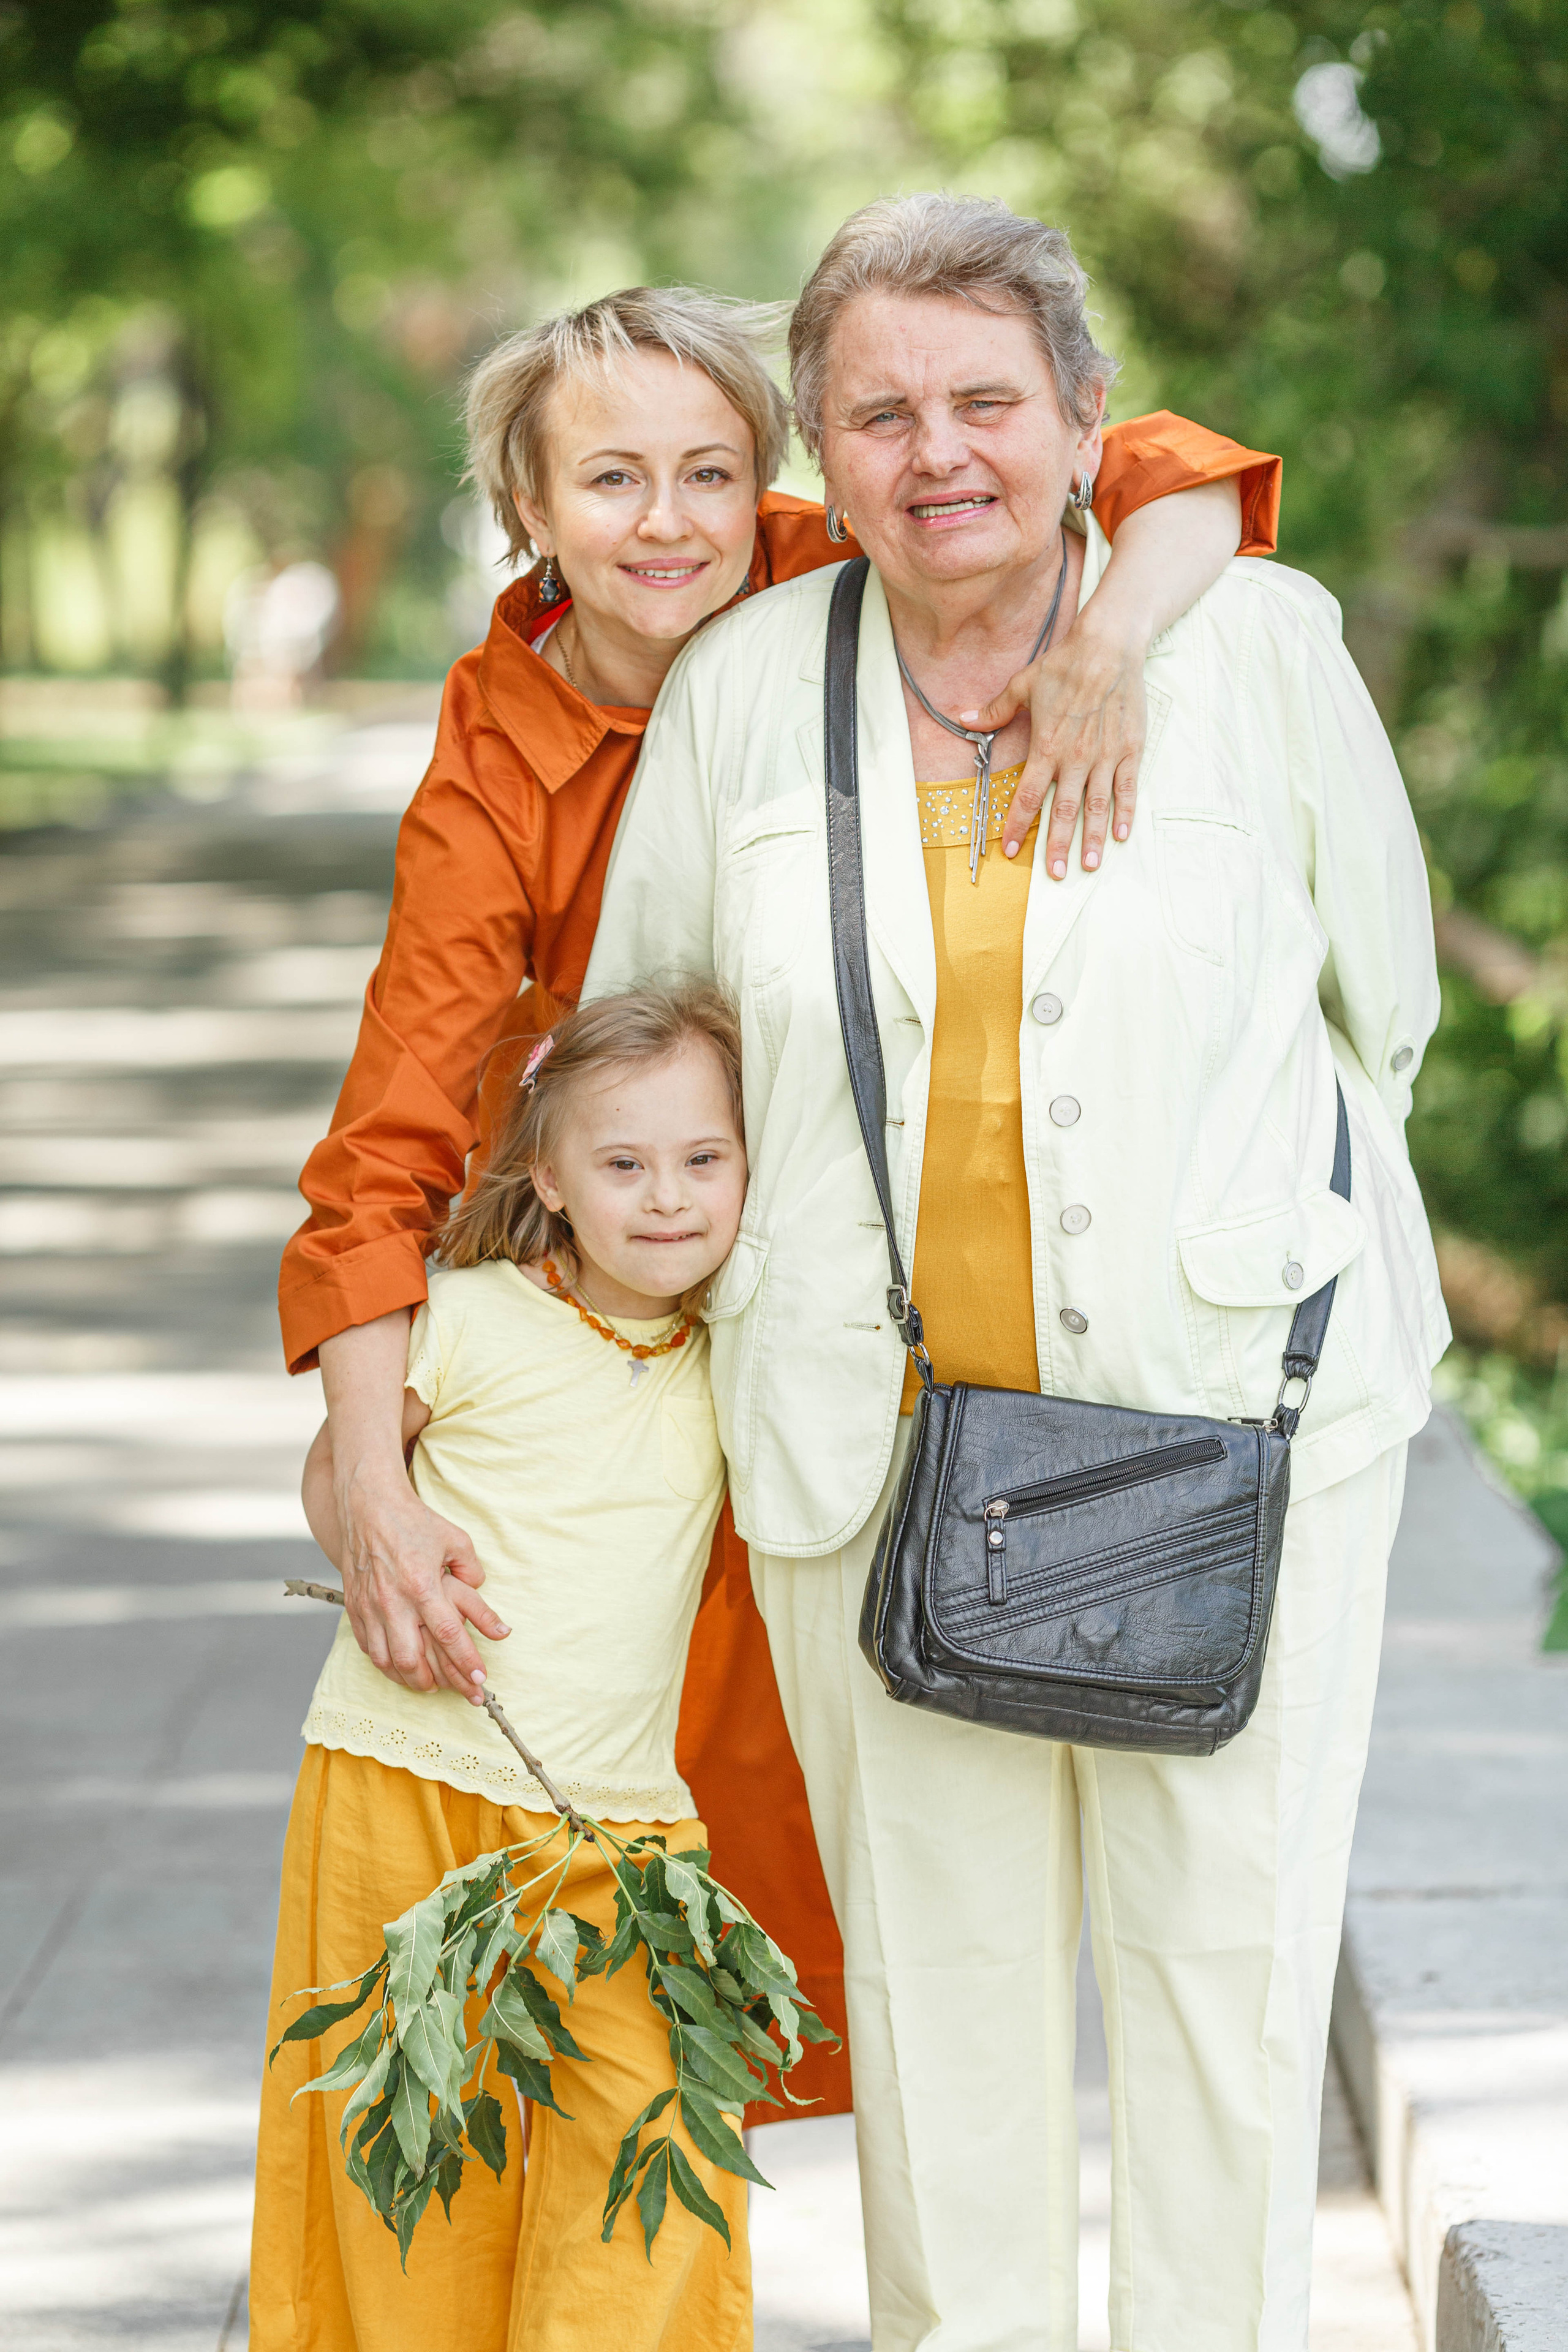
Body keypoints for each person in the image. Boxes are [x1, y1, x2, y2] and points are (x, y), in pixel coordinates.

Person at [584, 194, 1449, 2352]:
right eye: (876, 413)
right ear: (820, 448)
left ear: (1086, 421)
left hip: (1236, 1428)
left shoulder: (1258, 646)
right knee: (945, 2030)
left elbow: (1391, 1005)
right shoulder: (746, 688)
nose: (936, 450)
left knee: (1223, 2006)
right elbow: (653, 1020)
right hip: (873, 1464)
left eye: (986, 399)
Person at [276, 282, 1283, 2094]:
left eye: (709, 473)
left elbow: (1171, 467)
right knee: (625, 1796)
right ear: (525, 506)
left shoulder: (844, 574)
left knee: (846, 1854)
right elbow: (394, 1128)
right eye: (608, 481)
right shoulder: (499, 744)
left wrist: (1113, 636)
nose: (665, 523)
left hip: (867, 1264)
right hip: (633, 1270)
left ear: (772, 486)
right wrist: (363, 1450)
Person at [254, 984, 754, 2351]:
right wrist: (383, 1550)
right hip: (401, 1779)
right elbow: (339, 1475)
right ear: (549, 1176)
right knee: (412, 2162)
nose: (667, 1199)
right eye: (623, 1163)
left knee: (652, 2163)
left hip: (622, 1832)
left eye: (703, 1159)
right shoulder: (470, 1318)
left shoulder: (739, 1355)